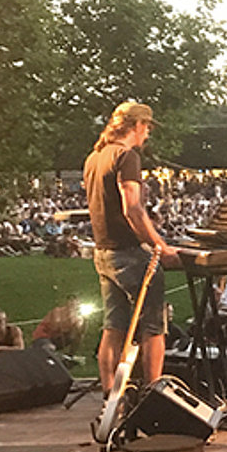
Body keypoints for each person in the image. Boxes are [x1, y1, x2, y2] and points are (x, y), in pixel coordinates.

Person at [84, 100, 177, 394]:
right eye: (147, 127)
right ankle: (153, 394)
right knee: (153, 327)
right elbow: (133, 209)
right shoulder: (127, 157)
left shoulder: (94, 157)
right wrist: (160, 245)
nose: (147, 134)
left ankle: (111, 397)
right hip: (129, 253)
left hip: (103, 252)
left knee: (113, 327)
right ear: (136, 125)